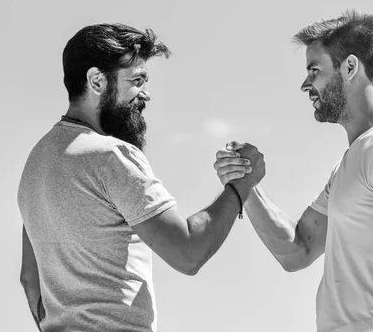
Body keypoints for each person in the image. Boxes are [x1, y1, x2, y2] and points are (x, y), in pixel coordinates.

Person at [18, 23, 265, 332]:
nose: (145, 94)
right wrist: (239, 186)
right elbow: (188, 253)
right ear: (97, 81)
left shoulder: (36, 163)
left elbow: (30, 280)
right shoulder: (111, 156)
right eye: (136, 81)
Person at [214, 10, 373, 332]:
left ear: (350, 67)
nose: (306, 84)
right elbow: (298, 250)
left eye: (314, 71)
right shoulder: (357, 156)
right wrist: (247, 185)